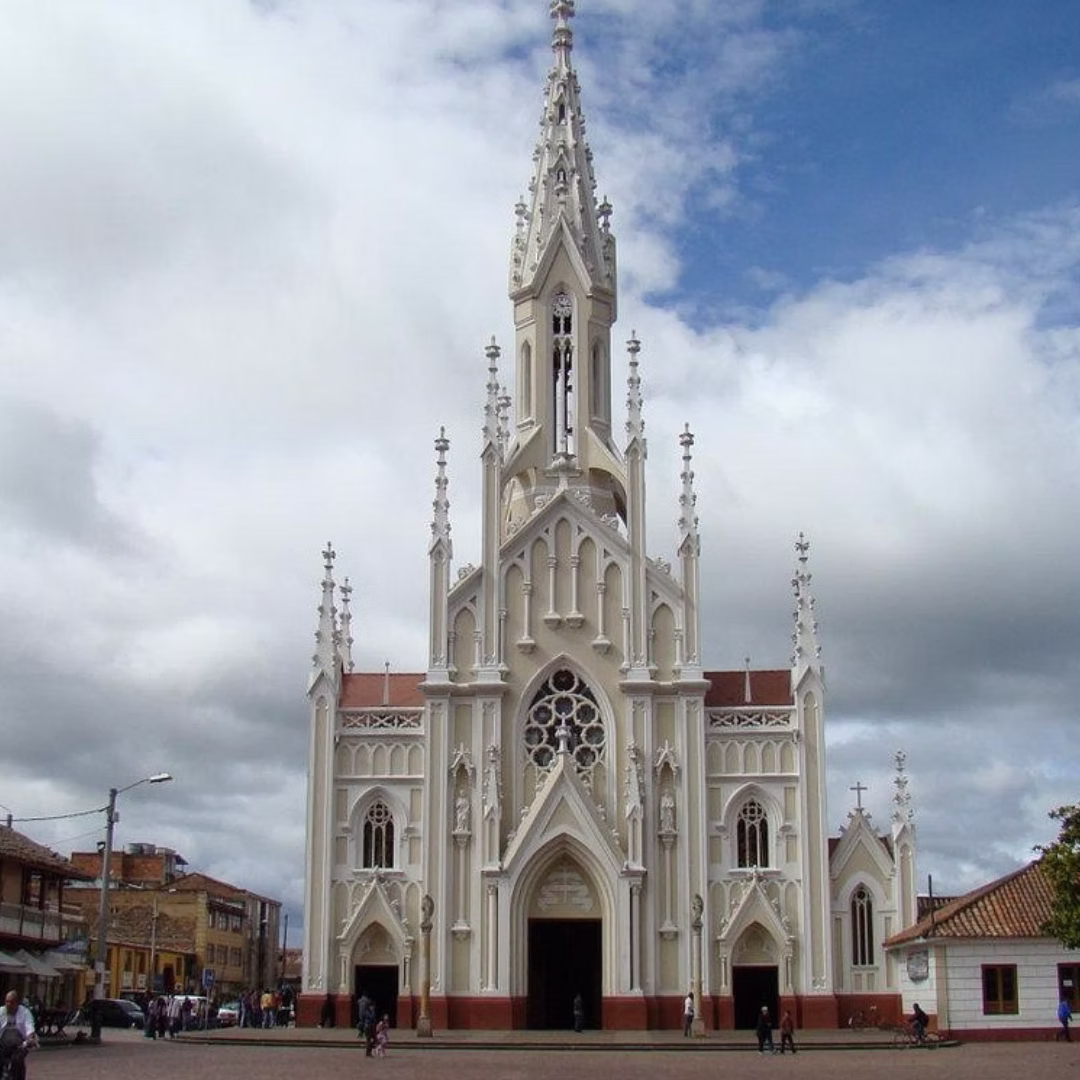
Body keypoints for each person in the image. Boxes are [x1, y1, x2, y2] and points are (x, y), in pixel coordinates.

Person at [0, 990, 36, 1080]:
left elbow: (29, 1027)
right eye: (7, 1001)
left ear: (17, 1003)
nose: (8, 1004)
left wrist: (30, 1039)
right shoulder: (1, 1012)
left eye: (11, 1002)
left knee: (17, 1062)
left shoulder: (25, 1013)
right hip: (2, 1045)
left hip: (19, 1045)